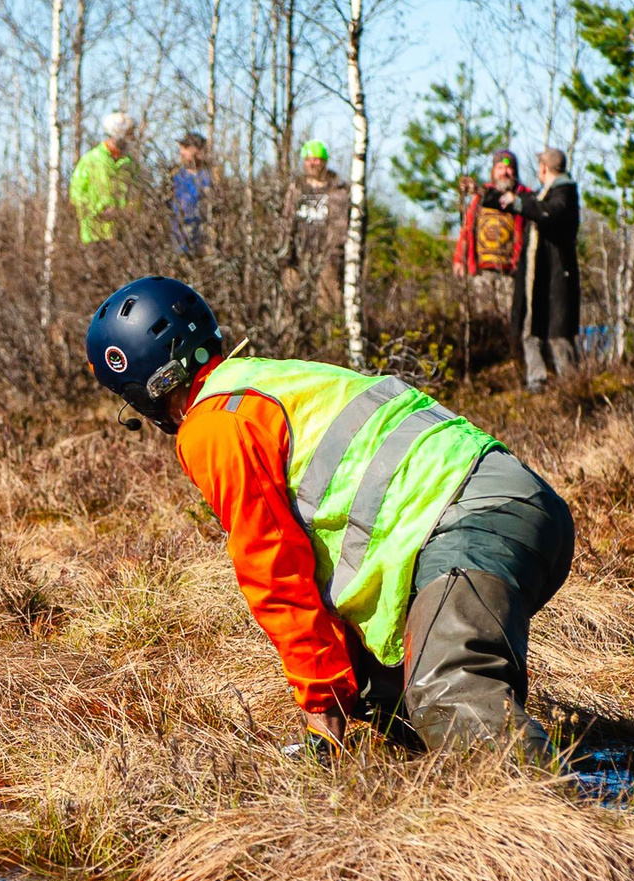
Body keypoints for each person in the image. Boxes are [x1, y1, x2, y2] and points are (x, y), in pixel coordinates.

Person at [84, 276, 573, 761]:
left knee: (445, 692)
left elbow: (273, 569)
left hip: (471, 521)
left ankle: (559, 826)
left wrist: (320, 701)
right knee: (380, 689)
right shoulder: (265, 380)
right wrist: (341, 688)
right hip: (514, 509)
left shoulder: (214, 423)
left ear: (145, 387)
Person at [526, 148, 583, 380]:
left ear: (544, 168)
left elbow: (549, 213)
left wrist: (521, 203)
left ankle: (571, 386)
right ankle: (545, 384)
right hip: (548, 274)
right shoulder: (550, 193)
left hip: (559, 273)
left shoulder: (563, 193)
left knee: (559, 334)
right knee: (541, 330)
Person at [286, 140, 350, 309]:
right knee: (291, 304)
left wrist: (337, 254)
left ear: (324, 162)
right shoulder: (296, 188)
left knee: (328, 304)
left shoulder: (339, 190)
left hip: (327, 259)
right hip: (297, 257)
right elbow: (286, 221)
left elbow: (342, 228)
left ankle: (329, 336)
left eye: (316, 159)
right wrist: (285, 252)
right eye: (308, 159)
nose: (312, 163)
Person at [73, 112, 140, 244]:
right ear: (118, 134)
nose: (133, 138)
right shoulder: (90, 160)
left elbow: (137, 196)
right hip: (94, 235)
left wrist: (126, 213)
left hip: (123, 237)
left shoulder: (131, 165)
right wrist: (98, 212)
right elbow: (76, 194)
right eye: (129, 133)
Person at [169, 133, 213, 256]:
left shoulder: (209, 177)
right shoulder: (175, 175)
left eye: (185, 148)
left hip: (201, 237)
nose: (181, 152)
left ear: (197, 151)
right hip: (178, 237)